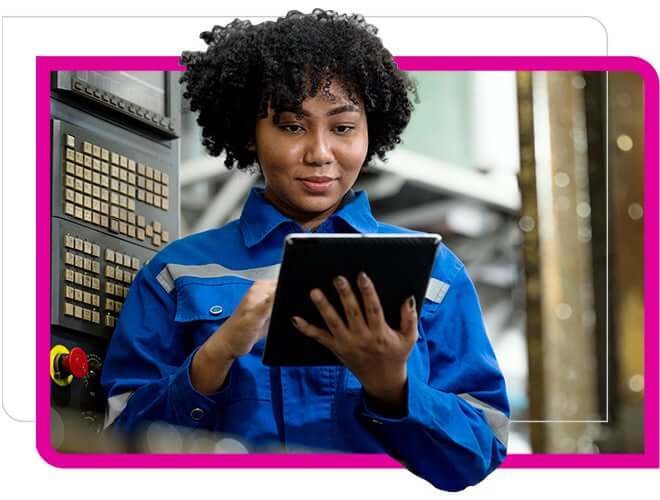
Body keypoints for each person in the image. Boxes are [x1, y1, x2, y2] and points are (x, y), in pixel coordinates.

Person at [100, 9, 510, 491]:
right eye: (293, 126)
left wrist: (392, 387)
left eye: (342, 128)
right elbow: (115, 447)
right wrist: (218, 354)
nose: (319, 152)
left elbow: (480, 452)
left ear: (370, 132)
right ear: (249, 134)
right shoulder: (177, 272)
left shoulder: (434, 274)